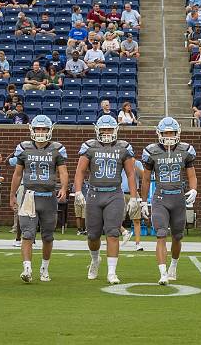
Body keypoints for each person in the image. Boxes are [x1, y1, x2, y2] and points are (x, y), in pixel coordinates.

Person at [74, 115, 138, 284]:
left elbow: (131, 174)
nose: (107, 132)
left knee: (113, 233)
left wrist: (133, 197)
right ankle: (95, 260)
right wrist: (79, 191)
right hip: (94, 194)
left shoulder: (124, 147)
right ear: (98, 130)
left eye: (109, 129)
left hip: (114, 194)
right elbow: (80, 171)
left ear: (115, 130)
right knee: (93, 235)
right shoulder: (89, 146)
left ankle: (111, 271)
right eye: (104, 130)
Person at [9, 116, 69, 282]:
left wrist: (63, 188)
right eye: (38, 129)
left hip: (49, 197)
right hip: (29, 196)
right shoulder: (24, 148)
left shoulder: (57, 149)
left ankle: (44, 268)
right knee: (27, 234)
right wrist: (12, 194)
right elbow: (17, 173)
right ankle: (27, 268)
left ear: (49, 130)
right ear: (32, 130)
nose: (40, 132)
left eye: (43, 129)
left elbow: (63, 172)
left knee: (47, 236)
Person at [140, 117, 197, 285]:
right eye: (166, 133)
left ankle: (173, 266)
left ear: (177, 133)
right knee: (161, 234)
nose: (169, 136)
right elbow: (145, 179)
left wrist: (193, 189)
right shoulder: (152, 151)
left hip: (178, 197)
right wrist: (144, 201)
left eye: (171, 132)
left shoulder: (185, 150)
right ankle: (163, 272)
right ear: (159, 133)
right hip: (160, 197)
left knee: (178, 236)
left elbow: (192, 175)